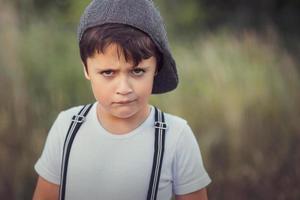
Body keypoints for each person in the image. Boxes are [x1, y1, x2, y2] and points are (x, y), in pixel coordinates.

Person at [32, 0, 211, 199]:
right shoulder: (67, 127)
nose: (124, 89)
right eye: (108, 72)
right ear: (86, 69)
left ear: (156, 68)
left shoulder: (176, 137)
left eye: (137, 71)